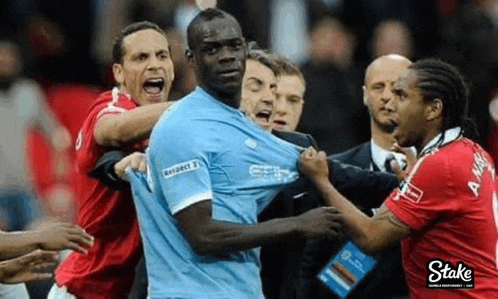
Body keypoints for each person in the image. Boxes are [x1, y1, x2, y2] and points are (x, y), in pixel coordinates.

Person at [126, 8, 343, 299]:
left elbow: (340, 245)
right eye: (258, 88)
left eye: (290, 98)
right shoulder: (186, 133)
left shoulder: (306, 157)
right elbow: (200, 235)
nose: (275, 103)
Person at [300, 58, 498, 298]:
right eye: (379, 88)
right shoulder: (471, 151)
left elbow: (370, 237)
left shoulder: (439, 165)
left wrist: (322, 180)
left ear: (433, 109)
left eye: (401, 95)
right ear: (364, 95)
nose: (390, 102)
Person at [48, 21, 175, 299]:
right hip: (86, 288)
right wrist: (197, 106)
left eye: (162, 55)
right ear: (119, 72)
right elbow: (113, 130)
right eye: (141, 57)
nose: (154, 64)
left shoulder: (172, 121)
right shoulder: (110, 105)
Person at [299, 54, 412, 299]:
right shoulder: (331, 171)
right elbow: (312, 266)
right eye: (378, 87)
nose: (386, 96)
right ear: (364, 94)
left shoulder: (444, 170)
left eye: (397, 88)